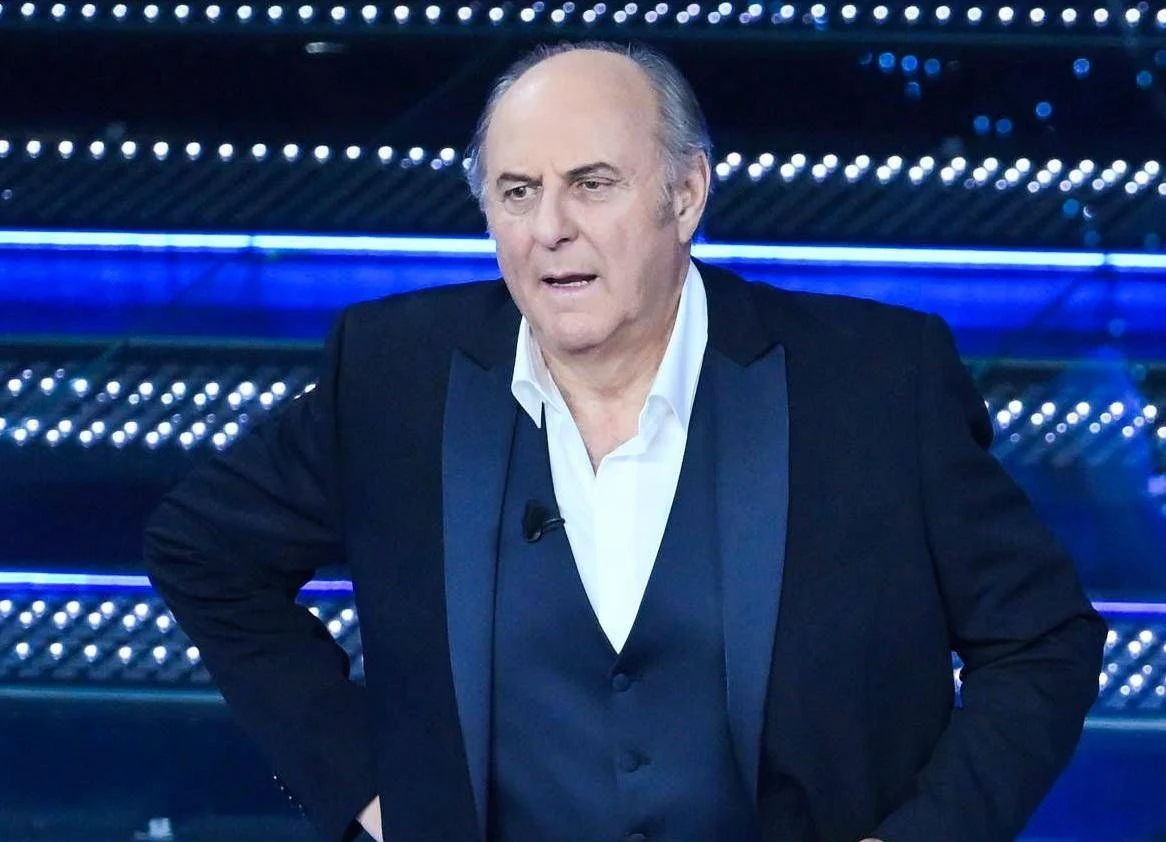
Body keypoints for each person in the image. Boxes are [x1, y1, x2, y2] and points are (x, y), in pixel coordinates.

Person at [144, 41, 1107, 842]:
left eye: (591, 185)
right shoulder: (398, 375)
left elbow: (1043, 642)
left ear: (685, 195)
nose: (550, 229)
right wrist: (364, 784)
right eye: (517, 192)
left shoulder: (874, 381)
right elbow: (201, 549)